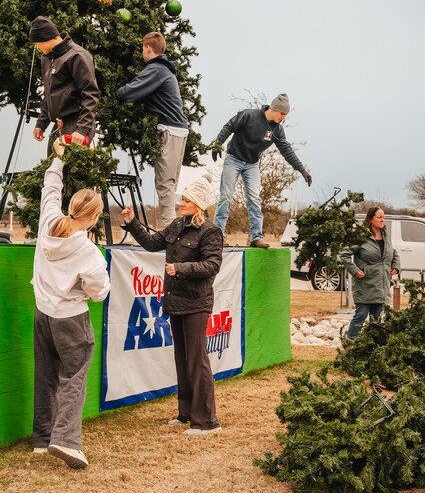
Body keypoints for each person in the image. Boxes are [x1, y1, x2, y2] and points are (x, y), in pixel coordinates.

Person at [121, 173, 223, 435]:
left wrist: (180, 268)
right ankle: (186, 414)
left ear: (199, 203)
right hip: (175, 301)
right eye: (183, 198)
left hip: (197, 303)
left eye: (187, 199)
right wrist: (132, 223)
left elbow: (212, 265)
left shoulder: (211, 232)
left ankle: (207, 422)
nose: (182, 202)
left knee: (197, 360)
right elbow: (153, 243)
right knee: (182, 359)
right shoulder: (177, 225)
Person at [31, 137, 110, 469]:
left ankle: (41, 439)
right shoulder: (89, 250)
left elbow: (51, 188)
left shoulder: (49, 219)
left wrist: (58, 159)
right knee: (74, 377)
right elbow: (99, 292)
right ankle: (66, 441)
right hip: (71, 320)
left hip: (43, 314)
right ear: (92, 219)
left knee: (46, 374)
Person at [211, 94, 312, 248]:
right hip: (233, 159)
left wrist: (301, 169)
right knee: (226, 196)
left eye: (286, 115)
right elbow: (229, 126)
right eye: (282, 114)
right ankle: (218, 235)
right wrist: (218, 143)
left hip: (251, 164)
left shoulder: (277, 130)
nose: (283, 117)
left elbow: (287, 150)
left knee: (254, 199)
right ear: (274, 109)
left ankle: (256, 237)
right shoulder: (249, 115)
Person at [117, 31, 188, 227]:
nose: (142, 52)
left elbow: (128, 93)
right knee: (170, 185)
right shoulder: (166, 70)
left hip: (169, 130)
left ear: (148, 48)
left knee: (164, 185)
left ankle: (170, 234)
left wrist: (118, 91)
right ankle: (177, 228)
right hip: (178, 131)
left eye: (142, 48)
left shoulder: (156, 70)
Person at [29, 16, 99, 149]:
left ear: (45, 38)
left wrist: (81, 130)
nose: (37, 47)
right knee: (52, 169)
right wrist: (41, 123)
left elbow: (90, 94)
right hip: (58, 124)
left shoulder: (77, 55)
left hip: (77, 123)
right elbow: (49, 93)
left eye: (36, 43)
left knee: (68, 169)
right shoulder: (46, 58)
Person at [339, 207, 400, 340]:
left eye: (383, 217)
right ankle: (350, 341)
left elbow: (393, 253)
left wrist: (396, 266)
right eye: (379, 217)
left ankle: (373, 344)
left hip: (381, 283)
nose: (382, 220)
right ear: (371, 219)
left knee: (377, 318)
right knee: (361, 314)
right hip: (365, 283)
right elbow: (344, 255)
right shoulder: (361, 236)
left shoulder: (385, 235)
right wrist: (354, 271)